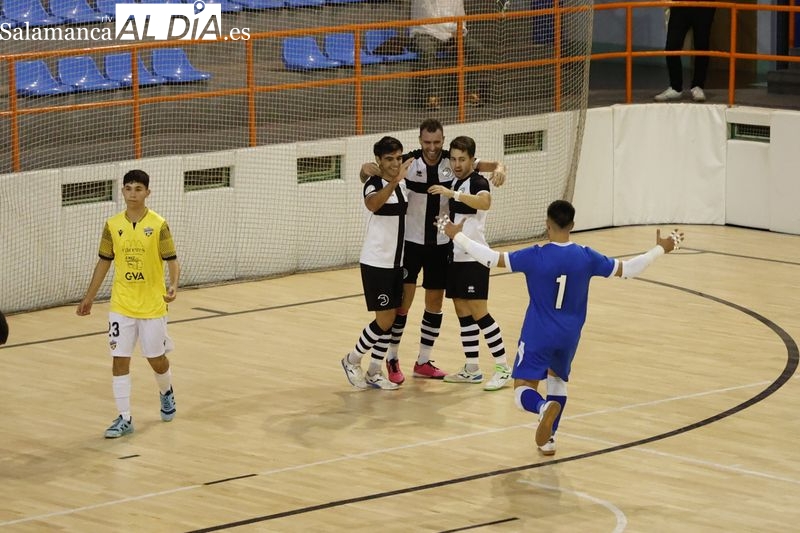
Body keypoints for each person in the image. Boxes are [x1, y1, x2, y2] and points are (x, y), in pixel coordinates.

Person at [442, 200, 683, 455]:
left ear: (547, 225)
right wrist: (660, 248)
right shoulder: (586, 256)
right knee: (557, 383)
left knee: (522, 390)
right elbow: (629, 270)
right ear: (573, 226)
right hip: (569, 336)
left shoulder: (535, 255)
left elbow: (491, 259)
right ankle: (548, 439)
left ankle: (542, 409)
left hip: (538, 333)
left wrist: (457, 236)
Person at [359, 119, 506, 385]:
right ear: (419, 141)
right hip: (410, 245)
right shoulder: (408, 161)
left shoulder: (453, 160)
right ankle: (392, 358)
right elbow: (372, 171)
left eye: (437, 142)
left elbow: (486, 165)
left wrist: (500, 167)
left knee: (435, 305)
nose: (432, 147)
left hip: (441, 245)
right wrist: (363, 169)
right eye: (427, 142)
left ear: (443, 140)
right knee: (402, 305)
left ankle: (423, 360)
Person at [77, 169, 181, 439]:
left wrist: (173, 285)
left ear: (148, 192)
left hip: (152, 305)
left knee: (156, 360)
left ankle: (166, 392)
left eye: (138, 188)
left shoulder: (159, 225)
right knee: (119, 360)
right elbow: (103, 261)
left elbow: (172, 259)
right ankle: (124, 418)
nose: (132, 193)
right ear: (122, 191)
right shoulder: (112, 225)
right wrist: (89, 297)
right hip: (121, 304)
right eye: (128, 188)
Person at [428, 136, 512, 391]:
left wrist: (453, 194)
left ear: (471, 160)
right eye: (453, 159)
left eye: (461, 159)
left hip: (475, 257)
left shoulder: (476, 181)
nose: (456, 163)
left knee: (480, 313)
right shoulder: (460, 178)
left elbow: (485, 202)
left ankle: (503, 368)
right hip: (457, 255)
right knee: (463, 313)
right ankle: (472, 368)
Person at [341, 136, 413, 391]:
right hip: (376, 262)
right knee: (383, 320)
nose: (395, 163)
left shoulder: (403, 184)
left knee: (391, 319)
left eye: (398, 158)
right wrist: (393, 180)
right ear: (379, 161)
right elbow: (373, 204)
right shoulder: (374, 184)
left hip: (396, 262)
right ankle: (352, 360)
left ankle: (374, 370)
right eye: (389, 159)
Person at [410, 0, 490, 109]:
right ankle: (431, 98)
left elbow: (461, 19)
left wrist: (457, 34)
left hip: (451, 34)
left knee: (477, 49)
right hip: (426, 32)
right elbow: (430, 18)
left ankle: (471, 93)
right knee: (427, 51)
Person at [654, 1, 716, 102]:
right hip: (680, 4)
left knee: (702, 45)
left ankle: (698, 86)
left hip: (704, 6)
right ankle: (675, 87)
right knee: (672, 45)